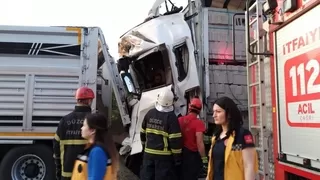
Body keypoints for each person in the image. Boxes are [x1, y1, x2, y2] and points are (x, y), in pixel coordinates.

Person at [206, 96, 258, 180]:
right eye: (213, 112)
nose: (214, 115)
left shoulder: (242, 135)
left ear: (229, 113)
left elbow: (249, 166)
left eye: (218, 112)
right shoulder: (216, 137)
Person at [140, 88, 183, 180]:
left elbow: (142, 133)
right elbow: (175, 140)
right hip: (164, 158)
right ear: (171, 102)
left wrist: (144, 147)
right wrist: (177, 158)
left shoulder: (149, 113)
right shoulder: (171, 118)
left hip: (148, 155)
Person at [53, 86, 94, 180]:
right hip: (87, 173)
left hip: (67, 174)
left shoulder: (64, 120)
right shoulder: (94, 120)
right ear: (89, 101)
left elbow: (56, 147)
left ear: (77, 100)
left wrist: (58, 171)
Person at [71, 113, 120, 180]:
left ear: (93, 130)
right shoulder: (96, 149)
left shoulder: (97, 152)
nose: (81, 128)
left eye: (84, 125)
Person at [178, 97, 208, 180]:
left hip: (179, 155)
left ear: (189, 107)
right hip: (192, 157)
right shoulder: (199, 123)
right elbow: (200, 143)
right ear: (199, 110)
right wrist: (204, 159)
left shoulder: (179, 120)